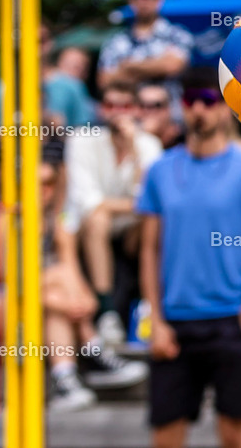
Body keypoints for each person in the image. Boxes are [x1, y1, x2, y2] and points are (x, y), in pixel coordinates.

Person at [139, 67, 241, 448]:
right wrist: (155, 319)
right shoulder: (159, 171)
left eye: (208, 100)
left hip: (229, 320)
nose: (198, 110)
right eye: (189, 101)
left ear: (224, 108)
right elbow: (149, 250)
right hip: (174, 322)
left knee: (235, 434)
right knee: (166, 435)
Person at [0, 147, 146, 411]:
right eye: (35, 183)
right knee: (54, 281)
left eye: (49, 183)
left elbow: (83, 293)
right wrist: (65, 300)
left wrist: (77, 305)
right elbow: (13, 284)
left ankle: (65, 379)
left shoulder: (57, 226)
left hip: (43, 307)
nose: (43, 191)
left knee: (55, 304)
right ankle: (94, 351)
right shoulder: (6, 221)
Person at [65, 81, 163, 344]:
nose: (118, 112)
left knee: (155, 222)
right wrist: (134, 205)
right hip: (93, 229)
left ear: (136, 110)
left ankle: (150, 312)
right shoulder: (81, 141)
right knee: (98, 219)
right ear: (100, 109)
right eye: (111, 105)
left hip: (132, 230)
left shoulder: (147, 144)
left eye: (125, 105)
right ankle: (107, 312)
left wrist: (132, 148)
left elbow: (150, 199)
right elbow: (89, 203)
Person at [0, 23, 95, 138]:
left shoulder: (72, 86)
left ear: (51, 43)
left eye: (41, 40)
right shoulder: (3, 87)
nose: (36, 48)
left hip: (58, 158)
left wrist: (54, 126)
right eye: (28, 40)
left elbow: (84, 132)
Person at [98, 0, 193, 92]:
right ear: (130, 0)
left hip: (168, 109)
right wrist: (156, 66)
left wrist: (129, 67)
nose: (143, 2)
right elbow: (104, 81)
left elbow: (172, 66)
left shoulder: (178, 35)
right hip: (129, 110)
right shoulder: (115, 41)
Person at [137, 82, 185, 149]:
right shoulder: (131, 138)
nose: (147, 111)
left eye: (156, 105)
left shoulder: (182, 139)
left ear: (168, 109)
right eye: (142, 105)